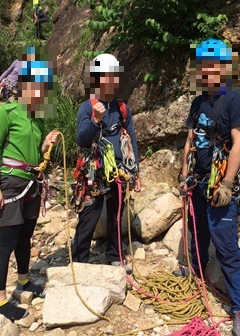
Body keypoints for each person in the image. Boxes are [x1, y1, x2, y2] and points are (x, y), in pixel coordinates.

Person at [176, 39, 240, 336]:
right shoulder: (198, 102)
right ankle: (198, 279)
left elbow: (239, 142)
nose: (207, 71)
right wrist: (184, 174)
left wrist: (228, 184)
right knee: (198, 235)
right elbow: (190, 141)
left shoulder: (236, 99)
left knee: (226, 245)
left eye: (212, 65)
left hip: (220, 184)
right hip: (197, 182)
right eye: (203, 66)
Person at [0, 47, 59, 321]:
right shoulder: (5, 113)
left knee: (25, 237)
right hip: (10, 182)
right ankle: (0, 300)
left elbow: (34, 153)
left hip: (30, 181)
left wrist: (45, 144)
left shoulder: (38, 118)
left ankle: (25, 281)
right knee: (6, 242)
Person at [72, 53, 141, 272]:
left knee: (116, 215)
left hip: (118, 172)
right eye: (106, 77)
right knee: (89, 216)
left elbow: (130, 140)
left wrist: (135, 172)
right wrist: (95, 120)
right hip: (95, 172)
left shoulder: (122, 109)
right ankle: (79, 260)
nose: (111, 82)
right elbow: (82, 139)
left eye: (113, 77)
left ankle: (114, 255)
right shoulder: (88, 107)